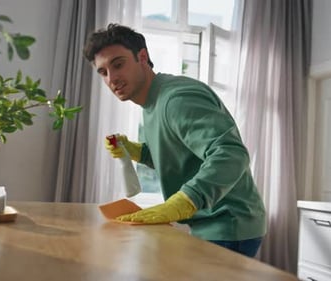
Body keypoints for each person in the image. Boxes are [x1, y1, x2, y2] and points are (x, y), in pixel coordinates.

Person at [83, 23, 266, 258]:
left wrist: (185, 200)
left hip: (228, 225)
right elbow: (176, 154)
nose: (112, 78)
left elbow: (231, 154)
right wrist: (138, 152)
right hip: (209, 223)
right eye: (103, 72)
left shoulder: (176, 99)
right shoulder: (151, 102)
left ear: (142, 57)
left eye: (118, 65)